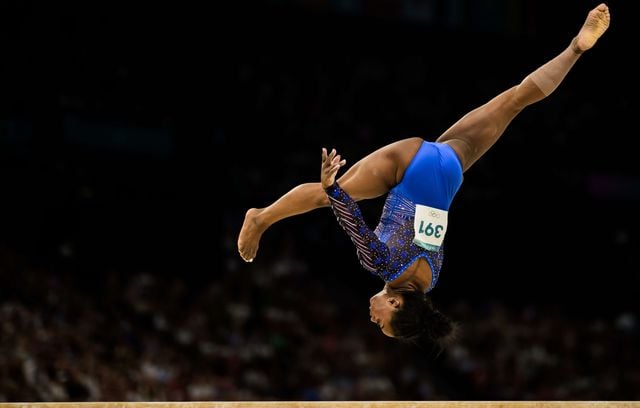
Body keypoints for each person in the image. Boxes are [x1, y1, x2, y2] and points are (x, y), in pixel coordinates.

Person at [237, 4, 610, 349]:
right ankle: (261, 216)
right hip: (410, 166)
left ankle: (576, 48)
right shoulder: (381, 267)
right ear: (396, 302)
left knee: (514, 101)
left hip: (449, 169)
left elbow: (422, 228)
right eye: (382, 323)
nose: (374, 321)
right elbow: (351, 221)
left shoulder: (431, 278)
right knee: (326, 195)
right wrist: (333, 186)